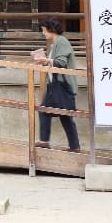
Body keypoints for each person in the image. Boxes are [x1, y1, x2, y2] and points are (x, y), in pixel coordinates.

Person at [31, 17, 81, 151]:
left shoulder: (61, 41)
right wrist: (45, 60)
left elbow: (61, 63)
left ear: (51, 29)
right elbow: (55, 62)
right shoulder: (55, 44)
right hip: (56, 85)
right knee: (61, 115)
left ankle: (45, 141)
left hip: (62, 86)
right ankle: (73, 146)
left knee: (50, 112)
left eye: (44, 30)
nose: (43, 33)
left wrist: (46, 60)